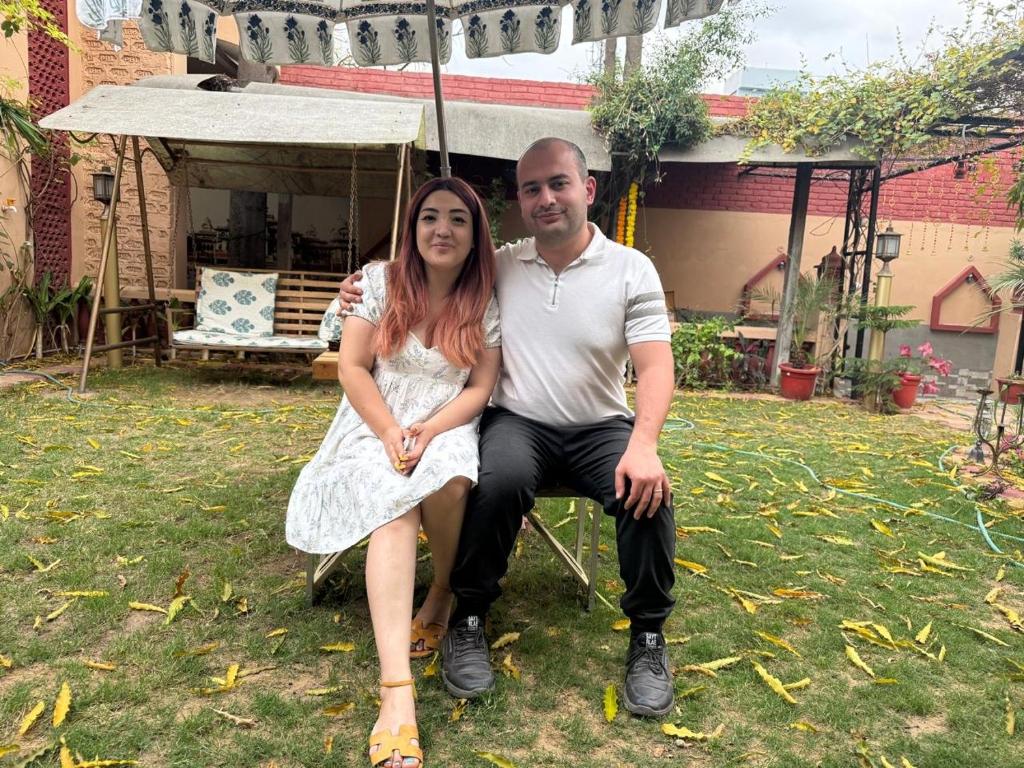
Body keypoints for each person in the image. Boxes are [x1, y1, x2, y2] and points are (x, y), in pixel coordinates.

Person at [338, 138, 677, 718]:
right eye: (531, 189)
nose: (546, 199)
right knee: (495, 482)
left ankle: (647, 635)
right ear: (520, 201)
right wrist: (359, 286)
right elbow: (429, 268)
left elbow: (654, 364)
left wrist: (643, 444)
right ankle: (468, 616)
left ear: (587, 190)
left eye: (559, 184)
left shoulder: (631, 268)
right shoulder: (501, 265)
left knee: (647, 493)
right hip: (519, 421)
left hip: (601, 426)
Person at [288, 176, 501, 768]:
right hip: (374, 417)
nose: (443, 229)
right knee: (394, 499)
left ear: (474, 233)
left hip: (448, 419)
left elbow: (481, 386)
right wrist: (388, 431)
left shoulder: (484, 295)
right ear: (412, 228)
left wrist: (430, 430)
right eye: (430, 216)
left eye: (458, 219)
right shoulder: (379, 282)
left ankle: (438, 596)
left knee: (452, 478)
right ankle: (396, 694)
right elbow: (353, 367)